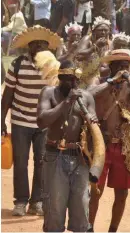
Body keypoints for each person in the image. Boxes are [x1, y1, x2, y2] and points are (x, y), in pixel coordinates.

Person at [1, 25, 62, 216]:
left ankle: (37, 202)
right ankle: (20, 201)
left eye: (42, 44)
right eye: (34, 44)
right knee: (20, 162)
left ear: (47, 47)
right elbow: (8, 95)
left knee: (42, 162)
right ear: (29, 47)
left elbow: (57, 96)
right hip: (20, 121)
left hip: (44, 124)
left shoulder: (53, 67)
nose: (38, 47)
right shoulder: (17, 64)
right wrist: (2, 120)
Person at [87, 49, 130, 232]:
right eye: (120, 66)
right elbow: (89, 94)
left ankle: (113, 229)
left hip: (123, 145)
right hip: (101, 144)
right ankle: (89, 227)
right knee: (96, 191)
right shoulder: (100, 81)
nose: (124, 69)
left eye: (126, 66)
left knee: (122, 193)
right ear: (111, 67)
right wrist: (113, 82)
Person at [36, 60, 97, 232]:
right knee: (55, 208)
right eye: (69, 80)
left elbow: (93, 123)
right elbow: (41, 121)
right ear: (60, 78)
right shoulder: (49, 93)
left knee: (81, 208)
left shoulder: (86, 97)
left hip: (80, 157)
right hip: (55, 155)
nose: (73, 84)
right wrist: (66, 103)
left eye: (76, 79)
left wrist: (91, 119)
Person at [75, 16, 113, 88]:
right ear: (94, 31)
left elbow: (103, 66)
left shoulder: (109, 44)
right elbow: (78, 55)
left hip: (94, 77)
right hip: (80, 76)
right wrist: (94, 47)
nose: (103, 32)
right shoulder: (87, 39)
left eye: (106, 30)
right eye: (100, 30)